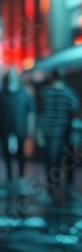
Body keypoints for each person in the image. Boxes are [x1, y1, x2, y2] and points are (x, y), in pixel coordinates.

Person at [37, 69, 80, 203]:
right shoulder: (69, 93)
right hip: (65, 134)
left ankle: (51, 192)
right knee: (68, 163)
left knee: (51, 164)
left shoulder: (45, 93)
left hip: (50, 134)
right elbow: (75, 109)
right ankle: (69, 190)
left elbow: (41, 113)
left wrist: (40, 132)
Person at [0, 69, 33, 184]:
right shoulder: (1, 94)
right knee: (7, 155)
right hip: (5, 129)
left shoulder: (24, 93)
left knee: (21, 154)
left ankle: (21, 175)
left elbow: (30, 112)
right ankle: (10, 176)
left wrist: (30, 129)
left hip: (20, 129)